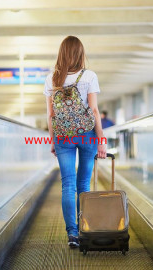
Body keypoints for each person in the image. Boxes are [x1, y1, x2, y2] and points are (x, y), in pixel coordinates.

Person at [43, 36, 107, 248]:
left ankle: (72, 235)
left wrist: (53, 140)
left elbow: (51, 114)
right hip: (87, 134)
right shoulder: (89, 76)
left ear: (61, 53)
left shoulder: (51, 78)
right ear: (81, 53)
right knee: (83, 183)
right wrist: (101, 141)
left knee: (68, 184)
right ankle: (85, 227)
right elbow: (95, 111)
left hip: (62, 136)